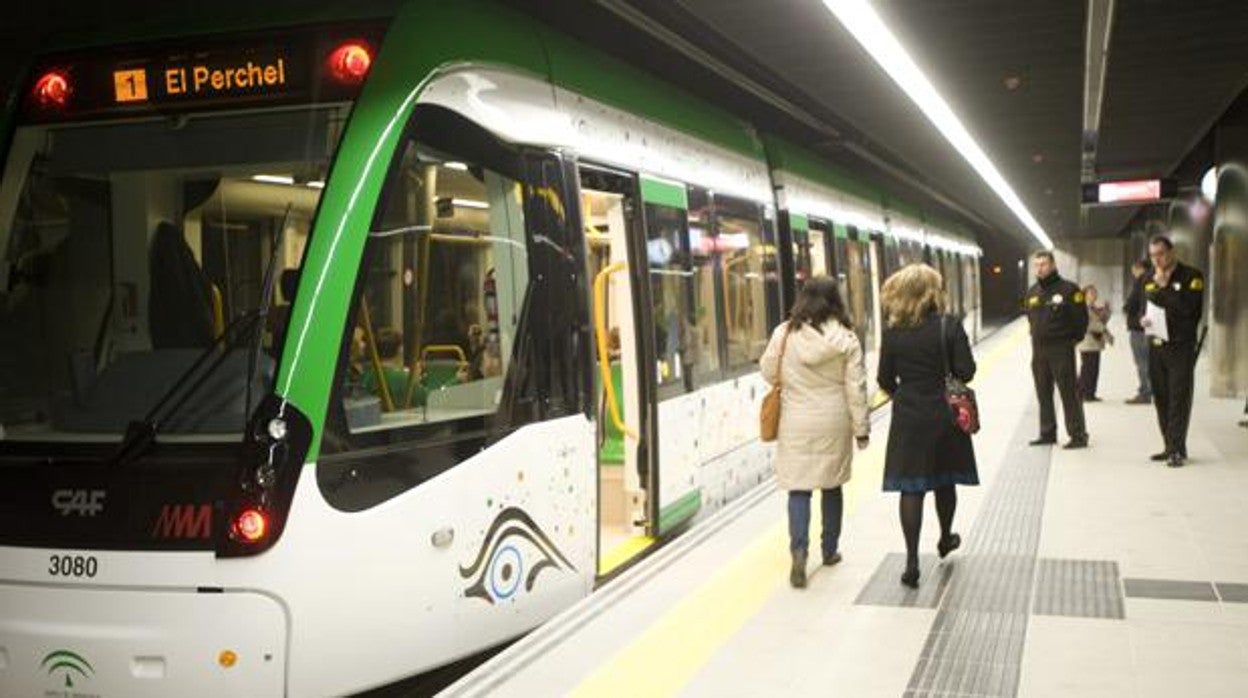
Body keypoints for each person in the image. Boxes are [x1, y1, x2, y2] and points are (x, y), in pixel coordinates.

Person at [759, 276, 869, 589]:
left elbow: (769, 371)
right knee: (832, 485)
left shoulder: (783, 334)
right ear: (836, 301)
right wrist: (861, 429)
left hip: (795, 420)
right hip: (833, 421)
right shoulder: (846, 338)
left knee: (799, 488)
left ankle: (799, 552)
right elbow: (856, 388)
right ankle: (830, 549)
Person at [877, 264, 977, 589]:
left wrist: (904, 395)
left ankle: (911, 560)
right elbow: (966, 370)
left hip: (908, 415)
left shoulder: (893, 332)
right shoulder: (949, 326)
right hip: (944, 413)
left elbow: (883, 379)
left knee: (911, 486)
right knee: (944, 479)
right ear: (933, 292)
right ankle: (946, 537)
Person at [1142, 235, 1204, 467]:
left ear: (1171, 253)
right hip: (1156, 346)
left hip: (1180, 347)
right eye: (1153, 255)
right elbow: (1140, 307)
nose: (1156, 259)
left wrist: (1164, 287)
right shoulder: (1148, 277)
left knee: (1179, 397)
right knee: (1161, 398)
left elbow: (1190, 310)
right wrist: (1142, 320)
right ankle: (1169, 445)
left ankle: (1177, 449)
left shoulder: (1192, 276)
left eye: (1160, 254)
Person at [1023, 250, 1089, 448]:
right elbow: (1030, 318)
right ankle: (1047, 432)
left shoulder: (1069, 290)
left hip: (1061, 349)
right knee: (1043, 392)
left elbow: (1081, 320)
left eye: (1043, 264)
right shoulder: (1032, 292)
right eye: (1037, 265)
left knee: (1069, 393)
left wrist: (1071, 341)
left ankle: (1078, 435)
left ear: (1053, 265)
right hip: (1039, 350)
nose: (1040, 268)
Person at [1123, 259, 1153, 404]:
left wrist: (1126, 309)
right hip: (1148, 326)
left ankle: (1145, 392)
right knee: (1148, 361)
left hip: (1139, 327)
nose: (1133, 274)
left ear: (1138, 268)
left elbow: (1132, 303)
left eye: (1133, 270)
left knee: (1142, 361)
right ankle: (1150, 390)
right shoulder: (1153, 279)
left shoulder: (1142, 280)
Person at [1076, 284, 1112, 401]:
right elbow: (1090, 324)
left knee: (1094, 369)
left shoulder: (1094, 308)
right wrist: (1103, 330)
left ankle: (1091, 393)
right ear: (1085, 295)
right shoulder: (1082, 308)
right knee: (1087, 369)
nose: (1094, 295)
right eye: (1091, 293)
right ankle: (1082, 393)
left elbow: (1103, 321)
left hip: (1095, 343)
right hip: (1087, 343)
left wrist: (1107, 311)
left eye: (1095, 293)